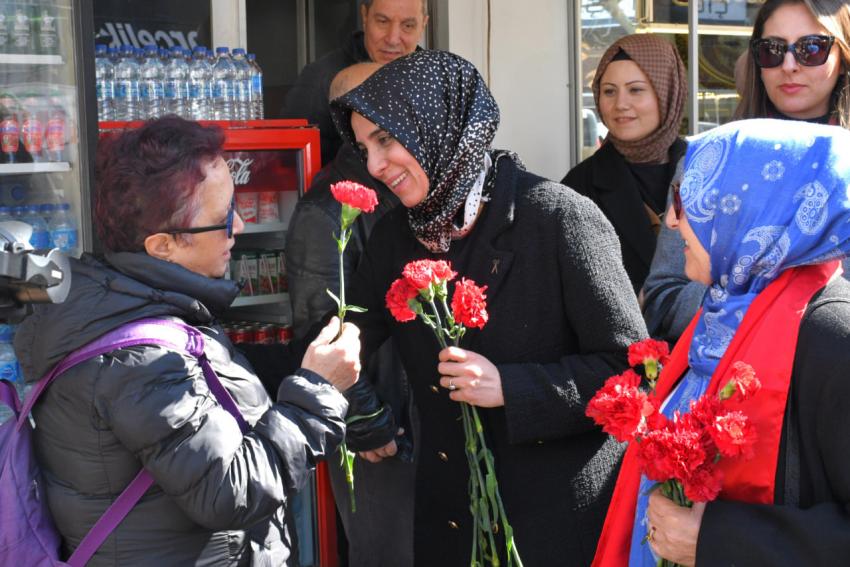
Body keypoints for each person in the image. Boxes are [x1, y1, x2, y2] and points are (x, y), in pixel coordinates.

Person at [329, 50, 648, 566]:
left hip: (552, 529)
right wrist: (345, 398)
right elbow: (346, 340)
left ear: (438, 123)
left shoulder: (558, 218)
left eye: (385, 139)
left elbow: (631, 374)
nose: (373, 166)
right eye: (364, 148)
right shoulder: (394, 236)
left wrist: (513, 388)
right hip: (451, 525)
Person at [13, 116, 362, 566]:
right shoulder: (141, 361)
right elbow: (230, 491)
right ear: (162, 246)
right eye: (222, 219)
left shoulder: (129, 306)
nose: (239, 226)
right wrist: (317, 393)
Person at [592, 118, 850, 567]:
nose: (672, 221)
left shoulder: (833, 336)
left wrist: (718, 540)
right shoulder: (724, 309)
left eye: (686, 200)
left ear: (752, 207)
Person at [642, 0, 850, 341]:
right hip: (723, 369)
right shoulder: (709, 161)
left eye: (811, 48)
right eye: (772, 50)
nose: (789, 65)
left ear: (842, 57)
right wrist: (752, 291)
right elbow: (661, 298)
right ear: (757, 60)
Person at [285, 62, 417, 567]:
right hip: (383, 426)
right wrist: (366, 418)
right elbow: (319, 327)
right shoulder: (327, 207)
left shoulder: (404, 187)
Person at [562, 34, 687, 294]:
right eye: (609, 91)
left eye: (635, 90)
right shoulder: (578, 188)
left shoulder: (709, 169)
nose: (620, 104)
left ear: (667, 92)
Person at [281, 0, 428, 165]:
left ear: (423, 25)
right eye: (382, 22)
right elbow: (289, 163)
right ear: (365, 16)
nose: (393, 39)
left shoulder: (434, 81)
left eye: (408, 26)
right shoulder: (320, 80)